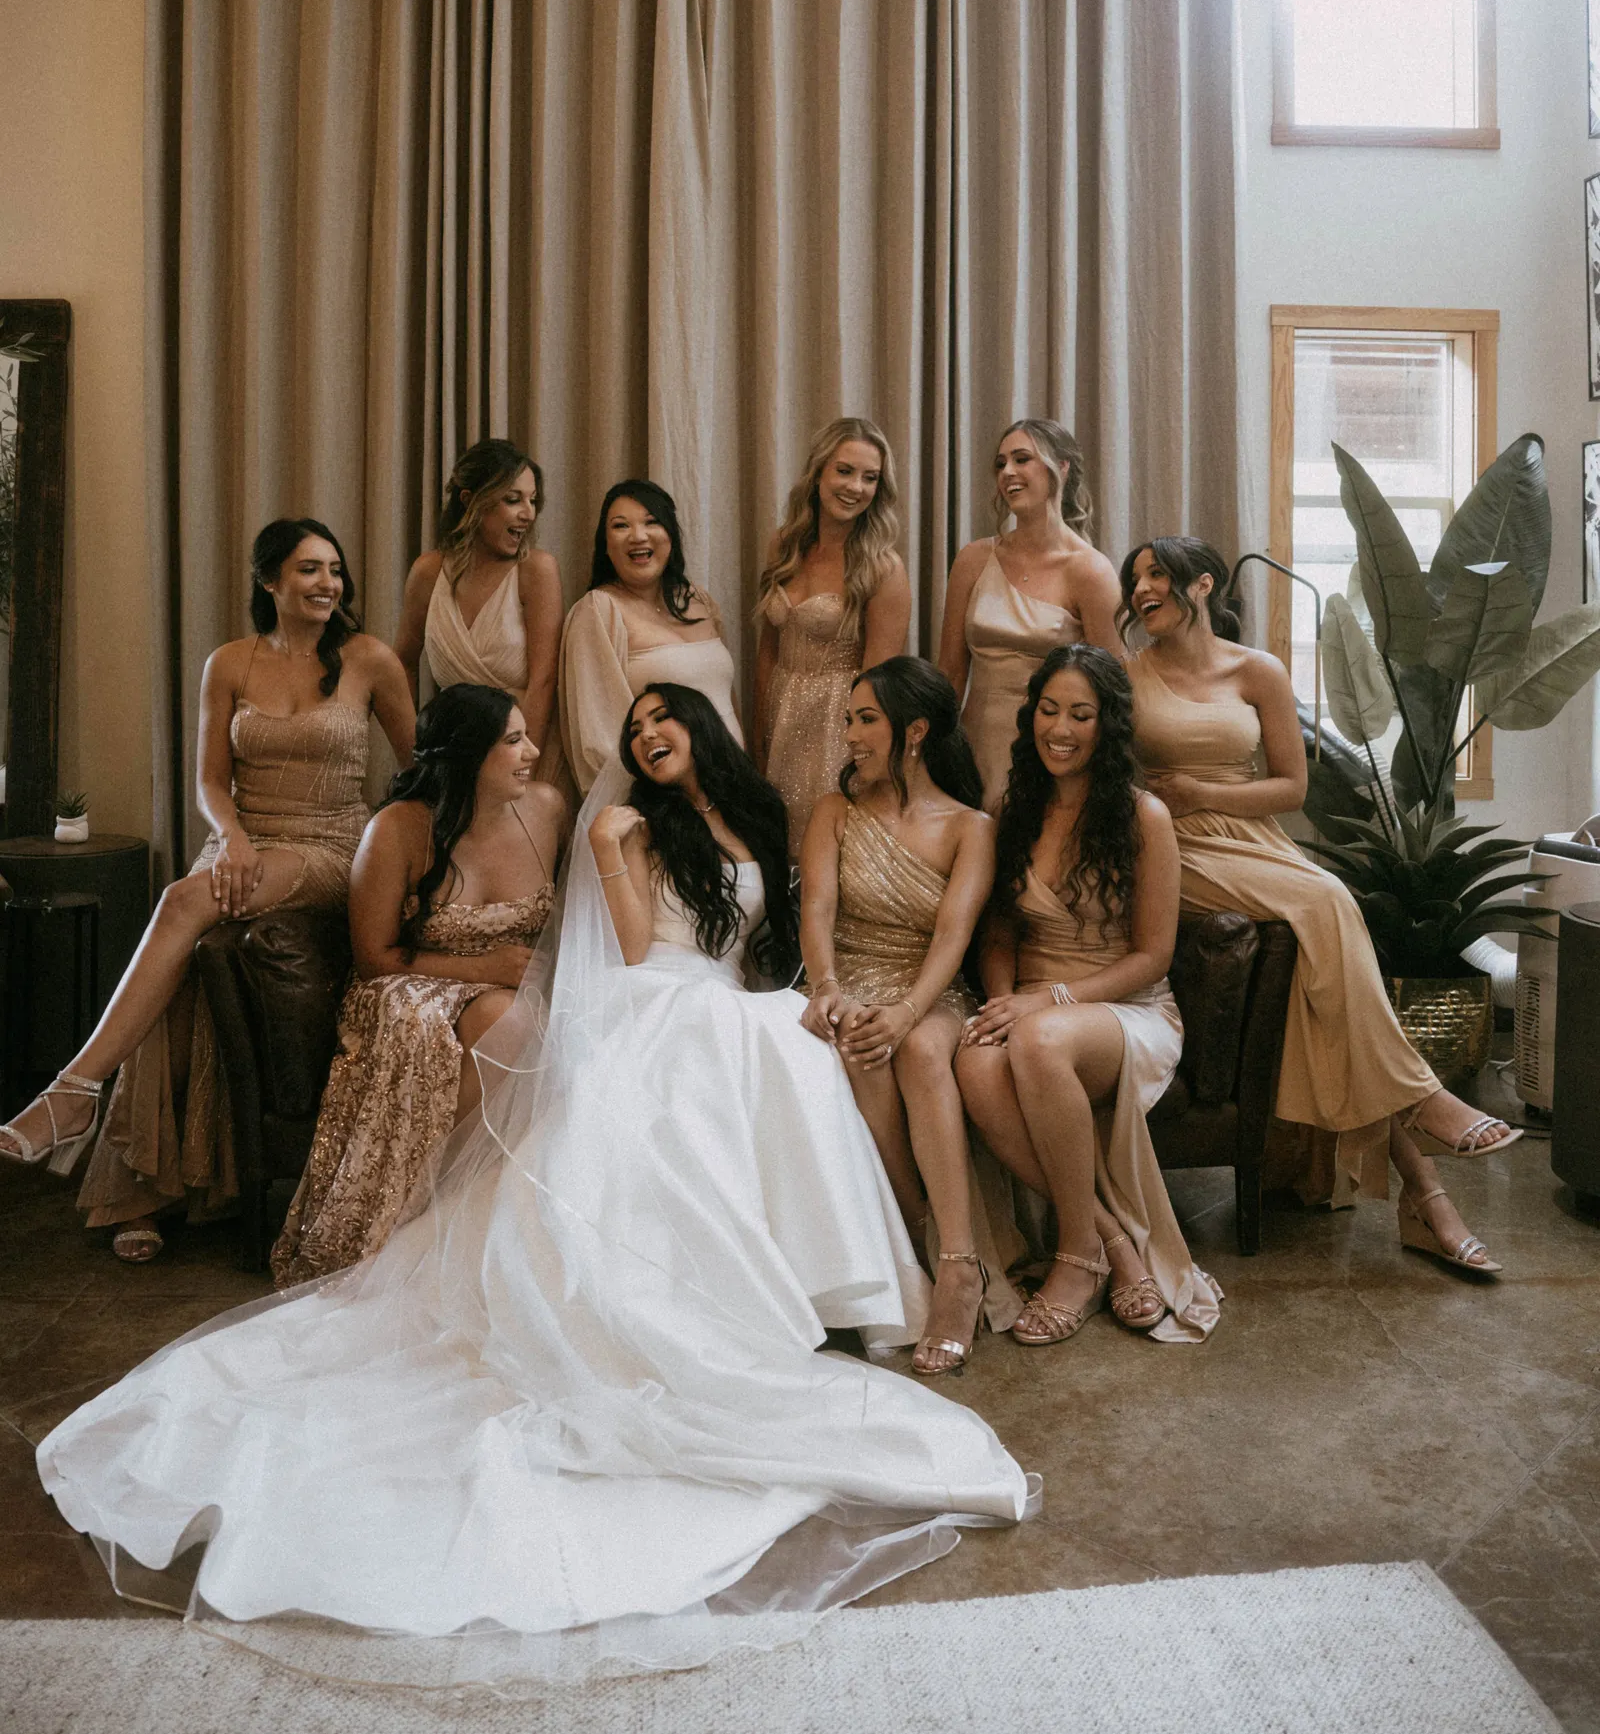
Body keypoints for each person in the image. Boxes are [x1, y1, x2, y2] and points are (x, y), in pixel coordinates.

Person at [36, 683, 1028, 1679]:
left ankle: (836, 1286)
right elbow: (631, 951)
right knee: (692, 1066)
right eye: (634, 728)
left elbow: (782, 937)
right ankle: (702, 1303)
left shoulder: (765, 813)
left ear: (700, 725)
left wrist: (816, 996)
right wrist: (611, 846)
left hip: (743, 998)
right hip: (657, 994)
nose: (646, 735)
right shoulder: (627, 822)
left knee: (778, 1044)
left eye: (662, 718)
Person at [0, 519, 414, 1264]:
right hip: (243, 841)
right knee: (179, 973)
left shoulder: (370, 659)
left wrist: (398, 856)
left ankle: (72, 1093)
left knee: (180, 904)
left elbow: (420, 768)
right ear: (270, 580)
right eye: (309, 569)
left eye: (334, 570)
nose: (328, 583)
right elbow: (210, 782)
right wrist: (235, 836)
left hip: (329, 846)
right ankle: (144, 1195)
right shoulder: (228, 661)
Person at [1124, 536, 1518, 1273]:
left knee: (1319, 946)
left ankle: (1423, 1192)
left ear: (1202, 584)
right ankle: (1423, 1110)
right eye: (1135, 578)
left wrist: (1204, 790)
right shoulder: (1128, 674)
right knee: (1328, 898)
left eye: (1157, 574)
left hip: (1250, 839)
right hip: (1173, 848)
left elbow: (1290, 788)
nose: (1142, 588)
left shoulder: (1258, 671)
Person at [957, 646, 1220, 1345]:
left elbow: (1152, 955)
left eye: (1081, 714)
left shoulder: (1143, 816)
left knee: (1040, 1040)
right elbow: (999, 935)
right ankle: (1111, 1242)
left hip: (1126, 1008)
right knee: (976, 1060)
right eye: (1048, 710)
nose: (1060, 729)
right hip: (1032, 1007)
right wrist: (1003, 1001)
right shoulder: (1012, 806)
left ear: (1108, 724)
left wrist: (1048, 1002)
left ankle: (1074, 1258)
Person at [271, 684, 567, 1288]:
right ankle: (415, 1218)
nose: (532, 752)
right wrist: (484, 970)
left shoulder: (547, 809)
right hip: (410, 983)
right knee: (473, 1020)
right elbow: (374, 958)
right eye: (513, 741)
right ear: (468, 756)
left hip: (510, 986)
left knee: (514, 1019)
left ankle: (479, 1217)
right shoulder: (398, 828)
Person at [799, 659, 1023, 1374]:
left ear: (915, 730)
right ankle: (914, 1224)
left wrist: (906, 1010)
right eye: (850, 719)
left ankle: (958, 1268)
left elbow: (954, 937)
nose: (850, 734)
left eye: (866, 719)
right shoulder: (834, 812)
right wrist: (827, 987)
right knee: (857, 1043)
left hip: (933, 990)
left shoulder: (970, 827)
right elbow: (817, 909)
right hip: (849, 981)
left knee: (922, 1050)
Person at [938, 419, 1123, 810]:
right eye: (1000, 463)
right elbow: (950, 673)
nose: (1007, 472)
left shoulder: (1090, 571)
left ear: (1062, 467)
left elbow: (1112, 689)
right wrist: (933, 759)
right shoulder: (973, 559)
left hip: (1051, 753)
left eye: (1022, 459)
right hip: (974, 749)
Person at [753, 418, 912, 856]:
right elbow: (767, 651)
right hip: (781, 715)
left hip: (837, 727)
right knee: (774, 845)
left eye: (870, 477)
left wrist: (860, 754)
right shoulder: (784, 545)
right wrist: (758, 735)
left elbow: (881, 685)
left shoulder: (883, 568)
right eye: (844, 471)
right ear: (818, 471)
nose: (856, 487)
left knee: (825, 851)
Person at [558, 478, 741, 791]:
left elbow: (729, 702)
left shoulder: (699, 599)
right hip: (661, 800)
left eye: (651, 522)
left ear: (671, 535)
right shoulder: (598, 610)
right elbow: (599, 738)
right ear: (605, 543)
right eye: (621, 526)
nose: (638, 536)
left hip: (732, 788)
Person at [393, 440, 564, 765]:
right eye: (513, 499)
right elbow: (402, 664)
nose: (528, 513)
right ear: (469, 500)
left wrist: (524, 764)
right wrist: (412, 756)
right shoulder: (428, 572)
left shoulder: (536, 570)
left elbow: (544, 682)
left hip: (525, 749)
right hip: (452, 754)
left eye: (532, 500)